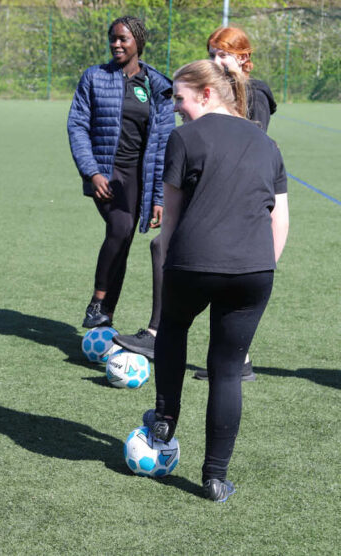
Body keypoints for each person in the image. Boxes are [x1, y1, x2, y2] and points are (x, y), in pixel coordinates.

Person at [142, 59, 289, 502]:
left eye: (182, 99)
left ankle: (165, 418)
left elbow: (170, 220)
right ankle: (215, 478)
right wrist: (260, 264)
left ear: (207, 94)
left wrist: (170, 266)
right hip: (254, 270)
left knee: (172, 328)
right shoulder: (267, 143)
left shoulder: (184, 139)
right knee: (227, 371)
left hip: (194, 262)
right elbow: (279, 222)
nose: (178, 109)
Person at [115, 26, 277, 382]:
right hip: (205, 186)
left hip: (232, 197)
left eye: (224, 53)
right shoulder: (207, 98)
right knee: (166, 249)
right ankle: (226, 355)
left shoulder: (255, 94)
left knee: (179, 255)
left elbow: (250, 145)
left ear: (243, 57)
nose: (216, 59)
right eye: (211, 52)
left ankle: (164, 336)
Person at [67, 16, 174, 329]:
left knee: (123, 238)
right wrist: (92, 172)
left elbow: (166, 143)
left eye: (123, 39)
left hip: (141, 178)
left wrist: (159, 197)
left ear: (138, 42)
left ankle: (106, 316)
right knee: (121, 227)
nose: (116, 44)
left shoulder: (159, 86)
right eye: (112, 39)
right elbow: (77, 126)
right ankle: (98, 301)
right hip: (107, 174)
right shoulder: (94, 78)